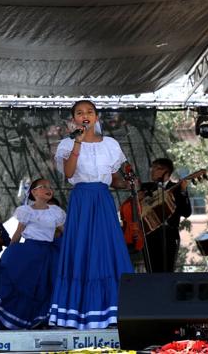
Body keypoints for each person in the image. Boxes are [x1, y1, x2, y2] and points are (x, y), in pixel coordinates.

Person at [49, 99, 134, 329]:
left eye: (89, 112)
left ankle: (113, 311)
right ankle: (78, 311)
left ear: (96, 117)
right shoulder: (67, 145)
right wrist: (77, 141)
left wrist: (127, 183)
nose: (84, 115)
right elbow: (68, 173)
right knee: (83, 249)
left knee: (107, 249)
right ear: (73, 119)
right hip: (82, 201)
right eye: (79, 112)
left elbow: (114, 178)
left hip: (103, 200)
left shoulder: (111, 144)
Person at [0, 179, 66, 329]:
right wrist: (9, 252)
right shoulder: (27, 211)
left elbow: (65, 232)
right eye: (44, 187)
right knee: (24, 286)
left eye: (50, 187)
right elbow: (18, 233)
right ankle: (17, 318)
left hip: (48, 255)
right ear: (34, 192)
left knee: (44, 288)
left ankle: (41, 320)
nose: (49, 189)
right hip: (28, 254)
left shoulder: (56, 212)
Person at [119, 159, 195, 273]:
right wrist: (136, 199)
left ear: (166, 171)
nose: (152, 171)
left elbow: (186, 212)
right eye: (152, 168)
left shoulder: (178, 188)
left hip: (169, 234)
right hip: (149, 234)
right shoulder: (146, 187)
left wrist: (183, 192)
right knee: (152, 270)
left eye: (156, 168)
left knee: (167, 270)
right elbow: (133, 211)